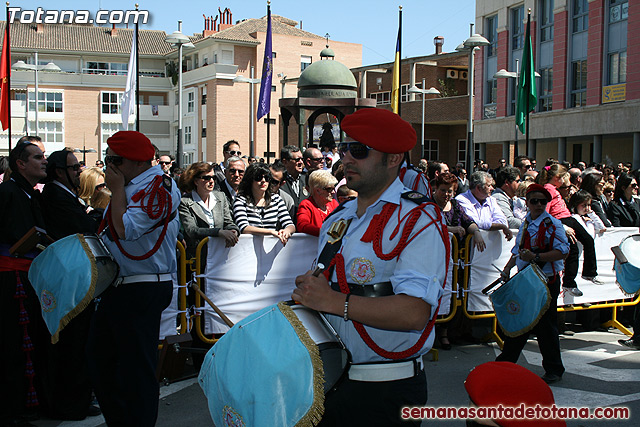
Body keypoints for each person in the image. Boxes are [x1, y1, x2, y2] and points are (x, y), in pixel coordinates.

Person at [293, 108, 448, 426]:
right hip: (329, 382)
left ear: (393, 159)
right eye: (344, 149)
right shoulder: (338, 218)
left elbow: (415, 313)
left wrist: (332, 301)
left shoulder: (418, 218)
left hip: (387, 389)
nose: (346, 159)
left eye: (359, 150)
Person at [87, 131, 181, 427]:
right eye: (108, 160)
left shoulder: (159, 187)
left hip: (144, 285)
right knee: (100, 360)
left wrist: (116, 191)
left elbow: (127, 230)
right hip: (122, 285)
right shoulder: (135, 185)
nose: (109, 167)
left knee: (136, 368)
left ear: (137, 162)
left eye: (114, 160)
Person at [40, 149, 101, 420]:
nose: (79, 171)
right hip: (67, 278)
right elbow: (80, 227)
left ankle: (78, 398)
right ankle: (69, 403)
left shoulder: (65, 194)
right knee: (71, 343)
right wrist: (97, 216)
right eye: (74, 167)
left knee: (80, 342)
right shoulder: (55, 195)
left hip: (79, 276)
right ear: (58, 171)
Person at [497, 184, 570, 384]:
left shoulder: (553, 224)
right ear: (527, 202)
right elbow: (518, 249)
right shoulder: (526, 223)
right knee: (519, 319)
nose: (539, 205)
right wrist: (507, 269)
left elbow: (563, 251)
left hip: (545, 281)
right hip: (526, 279)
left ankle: (554, 369)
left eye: (543, 201)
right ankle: (505, 362)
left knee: (546, 326)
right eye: (534, 201)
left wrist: (536, 256)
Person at [0, 141, 49, 427]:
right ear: (21, 163)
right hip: (11, 277)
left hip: (29, 275)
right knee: (15, 345)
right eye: (37, 158)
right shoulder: (7, 192)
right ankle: (13, 408)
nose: (43, 162)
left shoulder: (29, 194)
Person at [432, 172, 485, 350]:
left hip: (454, 261)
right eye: (443, 190)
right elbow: (427, 225)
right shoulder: (427, 205)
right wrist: (450, 229)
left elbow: (467, 221)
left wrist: (476, 232)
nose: (446, 194)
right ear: (435, 189)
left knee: (454, 294)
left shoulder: (454, 205)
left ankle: (447, 333)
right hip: (433, 259)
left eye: (450, 191)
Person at [538, 164, 584, 296]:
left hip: (566, 219)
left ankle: (588, 273)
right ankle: (569, 283)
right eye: (564, 178)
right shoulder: (548, 189)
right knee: (572, 250)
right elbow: (545, 213)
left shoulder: (553, 189)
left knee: (586, 241)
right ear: (557, 177)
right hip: (561, 222)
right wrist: (562, 227)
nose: (565, 182)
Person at [178, 162, 239, 260]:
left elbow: (229, 222)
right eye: (206, 178)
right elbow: (192, 230)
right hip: (197, 258)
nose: (211, 181)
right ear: (196, 181)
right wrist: (219, 232)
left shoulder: (221, 196)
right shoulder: (185, 202)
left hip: (220, 255)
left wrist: (234, 231)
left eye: (213, 178)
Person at [233, 163, 295, 246]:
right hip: (247, 249)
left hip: (271, 248)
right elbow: (244, 228)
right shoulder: (240, 200)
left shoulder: (276, 199)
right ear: (250, 180)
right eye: (258, 178)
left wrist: (286, 231)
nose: (263, 181)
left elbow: (290, 224)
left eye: (267, 178)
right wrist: (271, 232)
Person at [455, 171, 513, 240]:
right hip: (470, 247)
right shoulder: (461, 200)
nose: (492, 188)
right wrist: (499, 226)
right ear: (478, 188)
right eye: (488, 186)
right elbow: (473, 222)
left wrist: (500, 226)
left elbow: (503, 221)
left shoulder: (491, 200)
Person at [568, 190, 605, 284]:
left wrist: (591, 214)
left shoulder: (587, 219)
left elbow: (602, 227)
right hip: (578, 255)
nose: (587, 208)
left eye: (589, 205)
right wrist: (589, 222)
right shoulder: (574, 218)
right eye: (583, 205)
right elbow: (588, 235)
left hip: (584, 256)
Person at [296, 170, 339, 236]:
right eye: (329, 189)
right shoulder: (307, 205)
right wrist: (323, 232)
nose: (333, 192)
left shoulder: (334, 204)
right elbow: (302, 225)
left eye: (334, 188)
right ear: (318, 190)